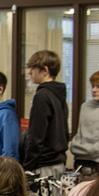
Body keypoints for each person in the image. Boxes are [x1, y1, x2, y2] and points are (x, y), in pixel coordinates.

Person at [20, 50, 68, 179]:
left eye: (33, 68)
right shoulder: (59, 94)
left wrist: (27, 168)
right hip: (58, 163)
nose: (30, 72)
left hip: (44, 167)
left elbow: (36, 136)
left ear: (45, 70)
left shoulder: (42, 96)